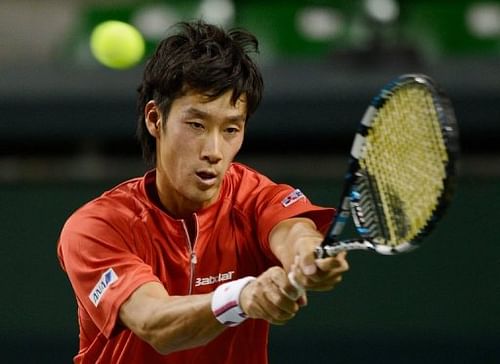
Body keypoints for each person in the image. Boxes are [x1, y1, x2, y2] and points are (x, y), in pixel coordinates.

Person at [57, 20, 349, 364]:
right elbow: (154, 322)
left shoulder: (253, 198)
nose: (214, 149)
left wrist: (307, 257)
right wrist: (241, 296)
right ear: (155, 119)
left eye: (230, 129)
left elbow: (295, 233)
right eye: (197, 124)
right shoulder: (96, 227)